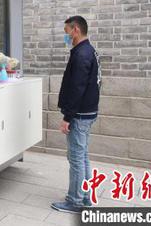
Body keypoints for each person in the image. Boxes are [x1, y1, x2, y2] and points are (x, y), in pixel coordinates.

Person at [51, 16, 101, 213]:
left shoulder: (81, 54)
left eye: (67, 31)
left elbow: (77, 88)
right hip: (88, 112)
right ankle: (86, 196)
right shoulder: (89, 51)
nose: (66, 35)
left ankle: (75, 201)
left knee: (76, 158)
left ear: (76, 30)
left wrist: (67, 117)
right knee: (82, 156)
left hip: (79, 115)